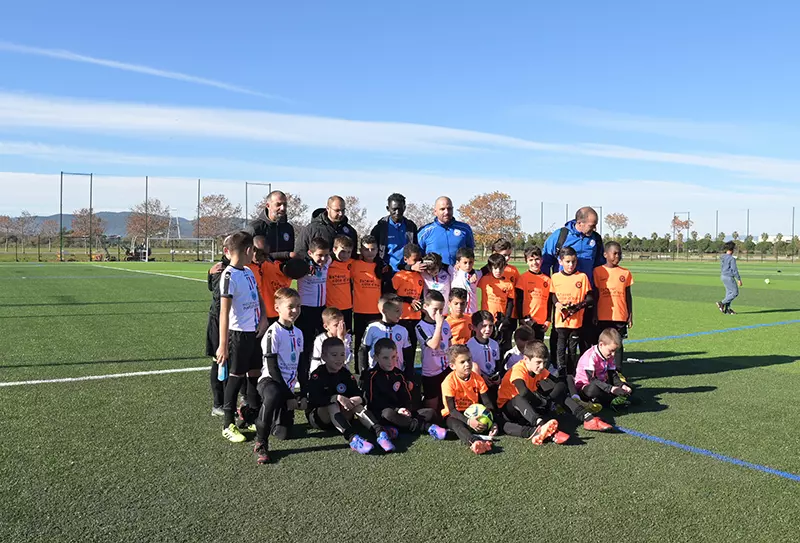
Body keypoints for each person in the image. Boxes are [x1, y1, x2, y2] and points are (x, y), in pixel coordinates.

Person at [497, 341, 612, 446]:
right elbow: (523, 392)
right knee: (519, 398)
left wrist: (551, 399)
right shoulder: (518, 369)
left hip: (528, 408)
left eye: (544, 362)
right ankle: (542, 426)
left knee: (560, 392)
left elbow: (559, 384)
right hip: (510, 410)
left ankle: (587, 418)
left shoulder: (538, 369)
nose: (542, 366)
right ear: (526, 359)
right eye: (538, 362)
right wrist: (542, 402)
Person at [215, 231, 269, 444]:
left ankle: (251, 415)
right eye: (253, 251)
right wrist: (222, 345)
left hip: (255, 332)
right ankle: (228, 424)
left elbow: (258, 297)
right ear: (248, 250)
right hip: (238, 335)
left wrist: (264, 318)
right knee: (236, 378)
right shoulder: (228, 276)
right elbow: (224, 313)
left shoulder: (248, 271)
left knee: (254, 374)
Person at [306, 337, 395, 455]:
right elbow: (313, 400)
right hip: (321, 419)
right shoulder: (317, 375)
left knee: (356, 405)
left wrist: (355, 400)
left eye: (342, 354)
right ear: (324, 357)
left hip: (343, 414)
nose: (339, 359)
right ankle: (353, 439)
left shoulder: (345, 374)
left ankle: (380, 434)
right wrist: (335, 398)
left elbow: (361, 396)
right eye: (334, 355)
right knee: (333, 405)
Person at [252, 288, 306, 464]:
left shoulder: (299, 333)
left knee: (283, 434)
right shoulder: (272, 332)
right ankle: (261, 442)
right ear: (277, 308)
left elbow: (301, 366)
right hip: (270, 382)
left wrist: (303, 393)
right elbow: (272, 367)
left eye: (298, 306)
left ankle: (254, 414)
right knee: (273, 394)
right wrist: (289, 396)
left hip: (287, 387)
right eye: (290, 306)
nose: (295, 310)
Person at [363, 337, 448, 440]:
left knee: (430, 412)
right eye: (385, 358)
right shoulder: (372, 376)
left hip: (400, 413)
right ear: (376, 357)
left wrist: (406, 409)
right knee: (388, 414)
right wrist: (397, 410)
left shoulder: (399, 374)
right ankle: (426, 427)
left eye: (393, 357)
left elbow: (406, 396)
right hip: (383, 413)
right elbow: (373, 403)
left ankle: (395, 429)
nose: (390, 361)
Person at [440, 345, 497, 455]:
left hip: (474, 415)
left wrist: (492, 422)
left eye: (469, 360)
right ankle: (474, 442)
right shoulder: (449, 382)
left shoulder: (477, 379)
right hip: (455, 415)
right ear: (452, 366)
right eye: (462, 362)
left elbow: (488, 403)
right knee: (456, 424)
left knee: (497, 418)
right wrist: (469, 421)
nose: (467, 364)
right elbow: (452, 410)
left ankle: (530, 431)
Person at [295, 237, 332, 395]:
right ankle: (303, 384)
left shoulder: (327, 262)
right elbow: (293, 260)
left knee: (323, 346)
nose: (322, 259)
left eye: (325, 255)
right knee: (306, 349)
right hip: (305, 311)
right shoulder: (303, 266)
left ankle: (322, 381)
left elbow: (331, 255)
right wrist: (306, 261)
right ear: (310, 253)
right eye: (319, 256)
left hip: (321, 311)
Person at [549, 246, 592, 378]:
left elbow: (589, 298)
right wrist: (558, 305)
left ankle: (571, 373)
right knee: (560, 347)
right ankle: (561, 371)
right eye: (567, 262)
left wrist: (577, 307)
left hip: (576, 322)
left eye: (573, 262)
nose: (571, 265)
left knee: (573, 349)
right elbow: (553, 295)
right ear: (560, 262)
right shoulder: (555, 277)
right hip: (560, 321)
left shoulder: (582, 277)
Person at [593, 241, 634, 371]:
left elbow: (628, 295)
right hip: (602, 314)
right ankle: (600, 370)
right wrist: (594, 313)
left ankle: (618, 371)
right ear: (605, 254)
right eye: (615, 253)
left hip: (620, 315)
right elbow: (595, 295)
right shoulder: (598, 271)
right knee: (602, 344)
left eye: (620, 253)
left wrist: (630, 314)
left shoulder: (625, 273)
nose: (618, 256)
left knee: (618, 344)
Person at [541, 206, 605, 285]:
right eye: (591, 226)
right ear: (579, 223)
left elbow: (600, 265)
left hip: (587, 290)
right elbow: (545, 263)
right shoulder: (560, 236)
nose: (595, 229)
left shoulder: (596, 238)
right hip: (563, 290)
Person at [575, 328, 633, 411]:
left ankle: (611, 399)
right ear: (601, 344)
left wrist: (621, 385)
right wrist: (611, 389)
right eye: (611, 350)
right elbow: (591, 380)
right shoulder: (590, 356)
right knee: (593, 390)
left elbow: (612, 374)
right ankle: (609, 400)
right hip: (586, 386)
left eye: (615, 351)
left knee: (629, 386)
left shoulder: (608, 355)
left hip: (603, 384)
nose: (613, 354)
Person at [391, 243, 425, 375]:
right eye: (415, 260)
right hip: (402, 319)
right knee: (399, 350)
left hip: (416, 318)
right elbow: (390, 294)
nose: (418, 263)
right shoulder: (399, 276)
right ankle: (397, 374)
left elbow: (420, 295)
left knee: (411, 350)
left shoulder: (420, 276)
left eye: (419, 260)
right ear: (406, 260)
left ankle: (410, 376)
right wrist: (409, 300)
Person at [351, 235, 383, 372]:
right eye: (366, 249)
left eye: (373, 249)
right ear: (361, 251)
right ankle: (360, 372)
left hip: (376, 311)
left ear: (377, 250)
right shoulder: (354, 265)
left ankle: (376, 371)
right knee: (360, 344)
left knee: (376, 343)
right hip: (359, 311)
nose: (370, 252)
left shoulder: (381, 266)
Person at [360, 294, 412, 377]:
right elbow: (363, 351)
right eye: (397, 311)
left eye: (402, 310)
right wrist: (364, 374)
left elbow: (408, 355)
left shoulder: (403, 330)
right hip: (376, 375)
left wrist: (409, 376)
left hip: (397, 375)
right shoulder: (373, 328)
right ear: (384, 311)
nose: (401, 313)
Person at [416, 291, 452, 409]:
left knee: (447, 400)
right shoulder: (420, 326)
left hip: (446, 368)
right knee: (432, 404)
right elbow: (434, 345)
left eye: (441, 310)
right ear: (425, 307)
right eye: (435, 309)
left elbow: (449, 345)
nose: (439, 313)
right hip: (431, 371)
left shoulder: (445, 324)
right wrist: (439, 325)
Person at [206, 251, 230, 417]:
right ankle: (218, 404)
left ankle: (230, 402)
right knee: (220, 361)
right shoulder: (222, 270)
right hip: (219, 320)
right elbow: (217, 297)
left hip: (236, 322)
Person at [418, 196, 475, 267]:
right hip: (435, 276)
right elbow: (418, 257)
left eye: (449, 208)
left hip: (458, 275)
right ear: (435, 212)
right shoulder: (425, 231)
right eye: (442, 209)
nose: (446, 212)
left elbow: (470, 253)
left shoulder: (465, 229)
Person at [370, 193, 419, 273]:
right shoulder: (379, 228)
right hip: (386, 274)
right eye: (394, 209)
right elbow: (372, 251)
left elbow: (416, 248)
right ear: (388, 208)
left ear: (405, 208)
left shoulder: (411, 227)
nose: (397, 212)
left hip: (407, 273)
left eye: (400, 209)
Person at [477, 253, 516, 354]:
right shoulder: (484, 279)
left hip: (500, 321)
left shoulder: (508, 284)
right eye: (495, 268)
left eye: (501, 268)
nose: (498, 271)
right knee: (485, 345)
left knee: (501, 347)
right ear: (490, 268)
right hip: (486, 320)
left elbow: (510, 303)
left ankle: (501, 368)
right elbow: (473, 277)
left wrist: (506, 319)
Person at [246, 190, 296, 261]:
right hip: (259, 271)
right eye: (278, 204)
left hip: (281, 271)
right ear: (268, 206)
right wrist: (286, 254)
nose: (282, 208)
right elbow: (243, 254)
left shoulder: (288, 228)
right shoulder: (255, 228)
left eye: (285, 204)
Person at [515, 246, 551, 341]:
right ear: (526, 261)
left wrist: (548, 320)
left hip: (541, 322)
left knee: (538, 348)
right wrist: (521, 318)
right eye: (531, 260)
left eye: (537, 259)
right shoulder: (523, 278)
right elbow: (518, 300)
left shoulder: (548, 280)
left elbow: (549, 302)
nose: (534, 263)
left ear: (541, 260)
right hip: (527, 321)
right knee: (526, 348)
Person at [466, 311, 502, 398]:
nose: (488, 329)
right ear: (474, 327)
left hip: (492, 381)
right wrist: (482, 376)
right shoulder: (469, 345)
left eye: (491, 326)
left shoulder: (494, 344)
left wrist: (498, 376)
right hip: (478, 382)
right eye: (484, 326)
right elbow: (469, 367)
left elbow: (497, 363)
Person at [310, 307, 353, 374]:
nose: (340, 328)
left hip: (342, 373)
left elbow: (347, 359)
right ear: (326, 327)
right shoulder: (320, 339)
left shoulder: (347, 337)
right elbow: (316, 360)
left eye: (342, 324)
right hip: (325, 374)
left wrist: (341, 339)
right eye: (336, 325)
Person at [326, 235, 355, 331]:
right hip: (330, 308)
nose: (345, 255)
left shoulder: (352, 263)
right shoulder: (327, 264)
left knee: (346, 336)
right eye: (342, 251)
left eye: (349, 252)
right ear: (334, 249)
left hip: (347, 307)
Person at [450, 247, 481, 315]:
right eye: (465, 262)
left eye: (470, 262)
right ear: (458, 262)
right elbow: (440, 264)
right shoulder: (453, 272)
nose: (468, 265)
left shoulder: (477, 274)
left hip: (472, 313)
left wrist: (473, 272)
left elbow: (488, 268)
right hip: (457, 313)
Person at [717, 241, 743, 315]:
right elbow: (734, 270)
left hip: (723, 276)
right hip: (729, 277)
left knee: (729, 293)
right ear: (733, 249)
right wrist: (739, 279)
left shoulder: (722, 257)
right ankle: (721, 303)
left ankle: (727, 309)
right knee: (735, 293)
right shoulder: (732, 259)